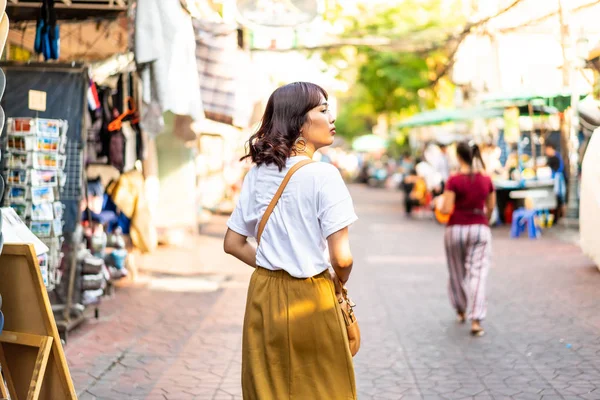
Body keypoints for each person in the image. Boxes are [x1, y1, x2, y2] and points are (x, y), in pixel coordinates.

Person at [223, 82, 358, 399]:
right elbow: (342, 258)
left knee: (268, 388)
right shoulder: (324, 176)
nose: (331, 117)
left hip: (264, 291)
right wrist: (339, 282)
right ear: (299, 121)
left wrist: (273, 260)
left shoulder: (257, 173)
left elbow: (232, 243)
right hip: (311, 294)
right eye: (323, 111)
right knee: (324, 389)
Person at [437, 141, 496, 337]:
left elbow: (446, 209)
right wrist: (482, 222)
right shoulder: (486, 180)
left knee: (456, 272)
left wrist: (439, 203)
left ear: (459, 156)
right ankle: (476, 320)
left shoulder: (453, 180)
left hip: (455, 228)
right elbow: (491, 208)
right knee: (477, 274)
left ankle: (461, 309)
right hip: (480, 228)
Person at [545, 143, 566, 221]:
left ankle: (561, 216)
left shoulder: (556, 157)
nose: (546, 151)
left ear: (550, 148)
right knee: (558, 198)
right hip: (556, 180)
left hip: (559, 180)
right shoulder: (553, 157)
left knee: (559, 198)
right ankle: (558, 217)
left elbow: (559, 169)